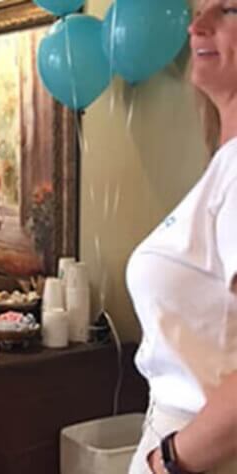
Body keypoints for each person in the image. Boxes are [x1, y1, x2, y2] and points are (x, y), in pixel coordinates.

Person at [127, 1, 237, 472]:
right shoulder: (224, 166)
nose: (196, 26)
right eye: (198, 9)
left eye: (230, 9)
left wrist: (168, 461)